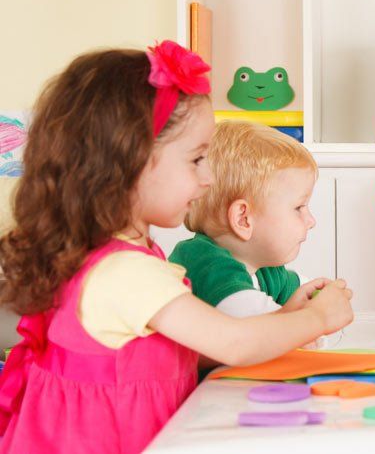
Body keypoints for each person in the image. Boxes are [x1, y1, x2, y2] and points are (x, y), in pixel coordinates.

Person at [0, 42, 353, 453]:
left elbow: (181, 355)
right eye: (196, 160)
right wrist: (317, 318)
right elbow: (233, 344)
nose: (207, 180)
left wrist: (285, 319)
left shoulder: (120, 256)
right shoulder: (123, 273)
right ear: (131, 163)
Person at [170, 120, 326, 317]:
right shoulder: (204, 261)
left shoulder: (265, 268)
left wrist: (321, 295)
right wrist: (314, 319)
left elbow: (301, 292)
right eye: (299, 208)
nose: (311, 221)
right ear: (243, 219)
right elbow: (256, 323)